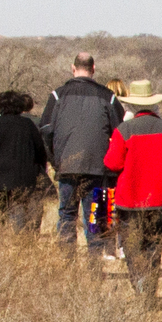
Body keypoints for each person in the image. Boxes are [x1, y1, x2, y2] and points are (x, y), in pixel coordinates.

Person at [101, 82, 162, 304]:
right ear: (155, 105)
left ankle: (141, 288)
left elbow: (111, 163)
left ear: (132, 105)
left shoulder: (124, 130)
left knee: (132, 246)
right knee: (154, 245)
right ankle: (149, 291)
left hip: (130, 200)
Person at [39, 53, 123, 260]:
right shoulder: (108, 97)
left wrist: (56, 161)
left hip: (67, 167)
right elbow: (121, 133)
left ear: (72, 68)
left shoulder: (57, 96)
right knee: (97, 217)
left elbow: (46, 131)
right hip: (99, 168)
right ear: (93, 68)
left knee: (66, 215)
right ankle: (95, 265)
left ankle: (68, 263)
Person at [0, 85, 51, 236]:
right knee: (19, 210)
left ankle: (5, 239)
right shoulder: (28, 125)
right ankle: (20, 241)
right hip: (23, 178)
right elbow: (41, 152)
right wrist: (42, 172)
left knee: (1, 211)